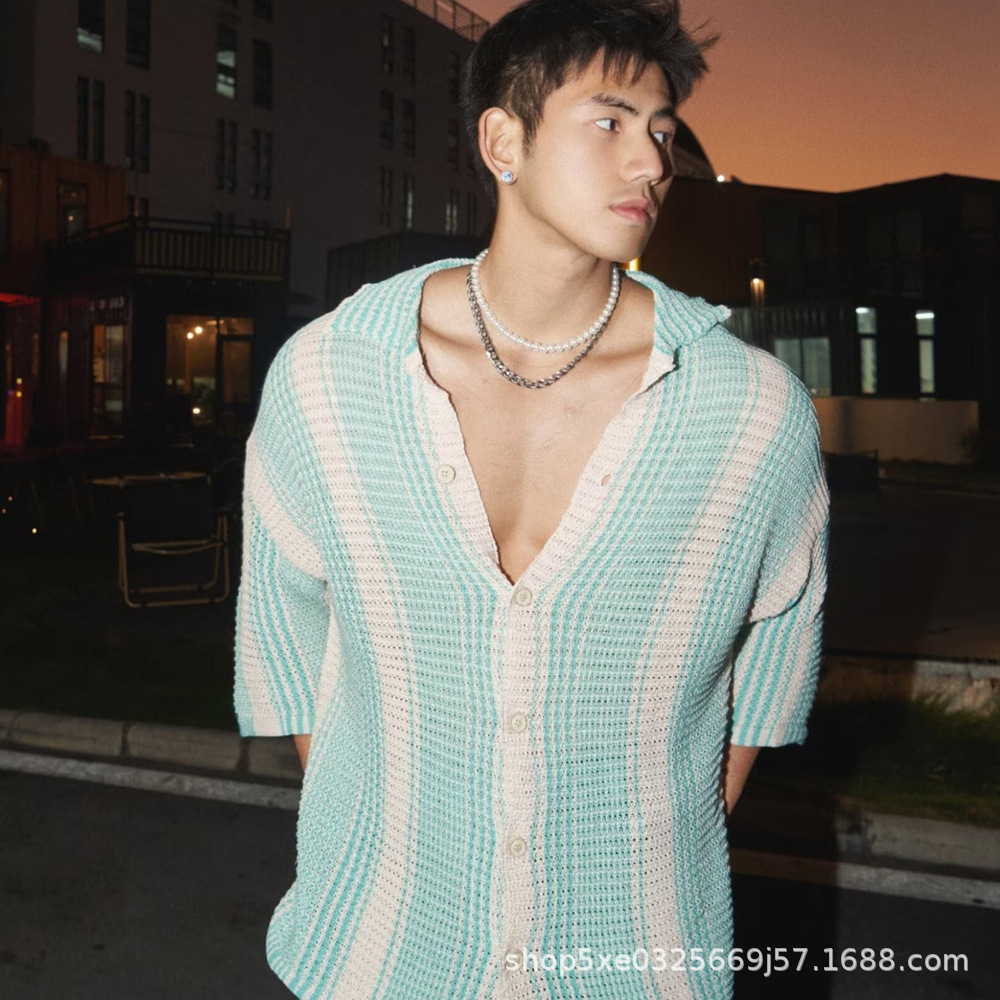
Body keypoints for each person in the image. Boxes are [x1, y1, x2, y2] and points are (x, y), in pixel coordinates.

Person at [234, 1, 829, 997]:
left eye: (662, 130)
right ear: (503, 142)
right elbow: (286, 624)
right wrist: (383, 817)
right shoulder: (330, 375)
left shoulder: (751, 410)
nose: (651, 161)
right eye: (610, 121)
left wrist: (647, 856)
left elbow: (772, 657)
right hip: (381, 953)